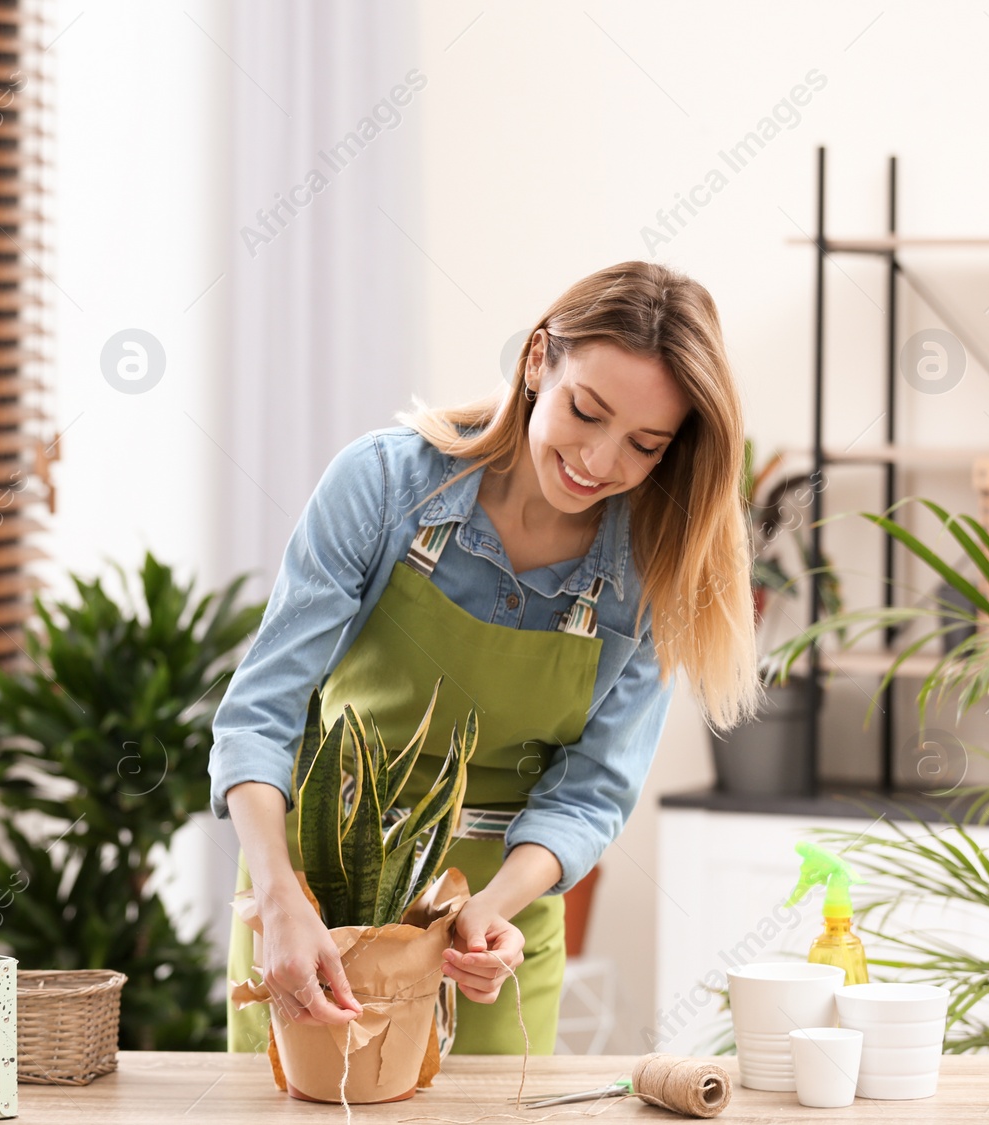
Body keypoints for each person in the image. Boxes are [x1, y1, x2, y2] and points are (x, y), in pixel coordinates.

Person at [209, 260, 762, 1055]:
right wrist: (278, 896)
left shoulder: (652, 565)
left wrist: (492, 908)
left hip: (490, 938)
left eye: (643, 445)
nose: (600, 463)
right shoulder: (385, 485)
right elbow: (261, 714)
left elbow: (591, 792)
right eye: (586, 411)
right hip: (317, 906)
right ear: (539, 359)